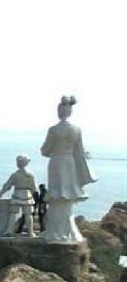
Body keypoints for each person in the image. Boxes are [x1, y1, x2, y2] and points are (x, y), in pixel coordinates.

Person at [40, 95, 96, 242]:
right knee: (66, 196)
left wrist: (53, 151)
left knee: (57, 195)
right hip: (69, 163)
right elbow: (80, 151)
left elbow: (45, 150)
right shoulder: (76, 130)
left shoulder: (53, 130)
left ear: (59, 111)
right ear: (70, 112)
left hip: (56, 162)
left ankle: (55, 232)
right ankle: (67, 231)